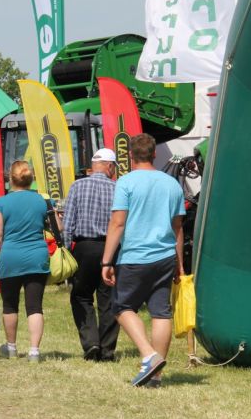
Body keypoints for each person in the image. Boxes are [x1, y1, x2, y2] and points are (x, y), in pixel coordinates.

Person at [101, 134, 185, 388]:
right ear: (154, 155)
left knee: (121, 307)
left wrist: (106, 261)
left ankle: (149, 356)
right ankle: (155, 377)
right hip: (165, 256)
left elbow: (118, 223)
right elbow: (178, 228)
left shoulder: (125, 182)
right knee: (161, 312)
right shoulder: (172, 184)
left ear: (130, 157)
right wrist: (179, 263)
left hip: (135, 256)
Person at [0, 161, 51, 363]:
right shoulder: (42, 201)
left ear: (10, 179)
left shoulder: (2, 203)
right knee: (35, 306)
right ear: (30, 179)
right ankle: (34, 351)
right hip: (37, 257)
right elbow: (58, 226)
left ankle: (11, 347)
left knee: (10, 304)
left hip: (10, 257)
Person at [62, 148, 120, 361]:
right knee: (109, 299)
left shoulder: (77, 186)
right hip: (111, 248)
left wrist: (67, 251)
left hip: (84, 248)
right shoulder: (117, 188)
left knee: (81, 295)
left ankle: (91, 342)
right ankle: (107, 349)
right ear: (110, 166)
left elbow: (68, 224)